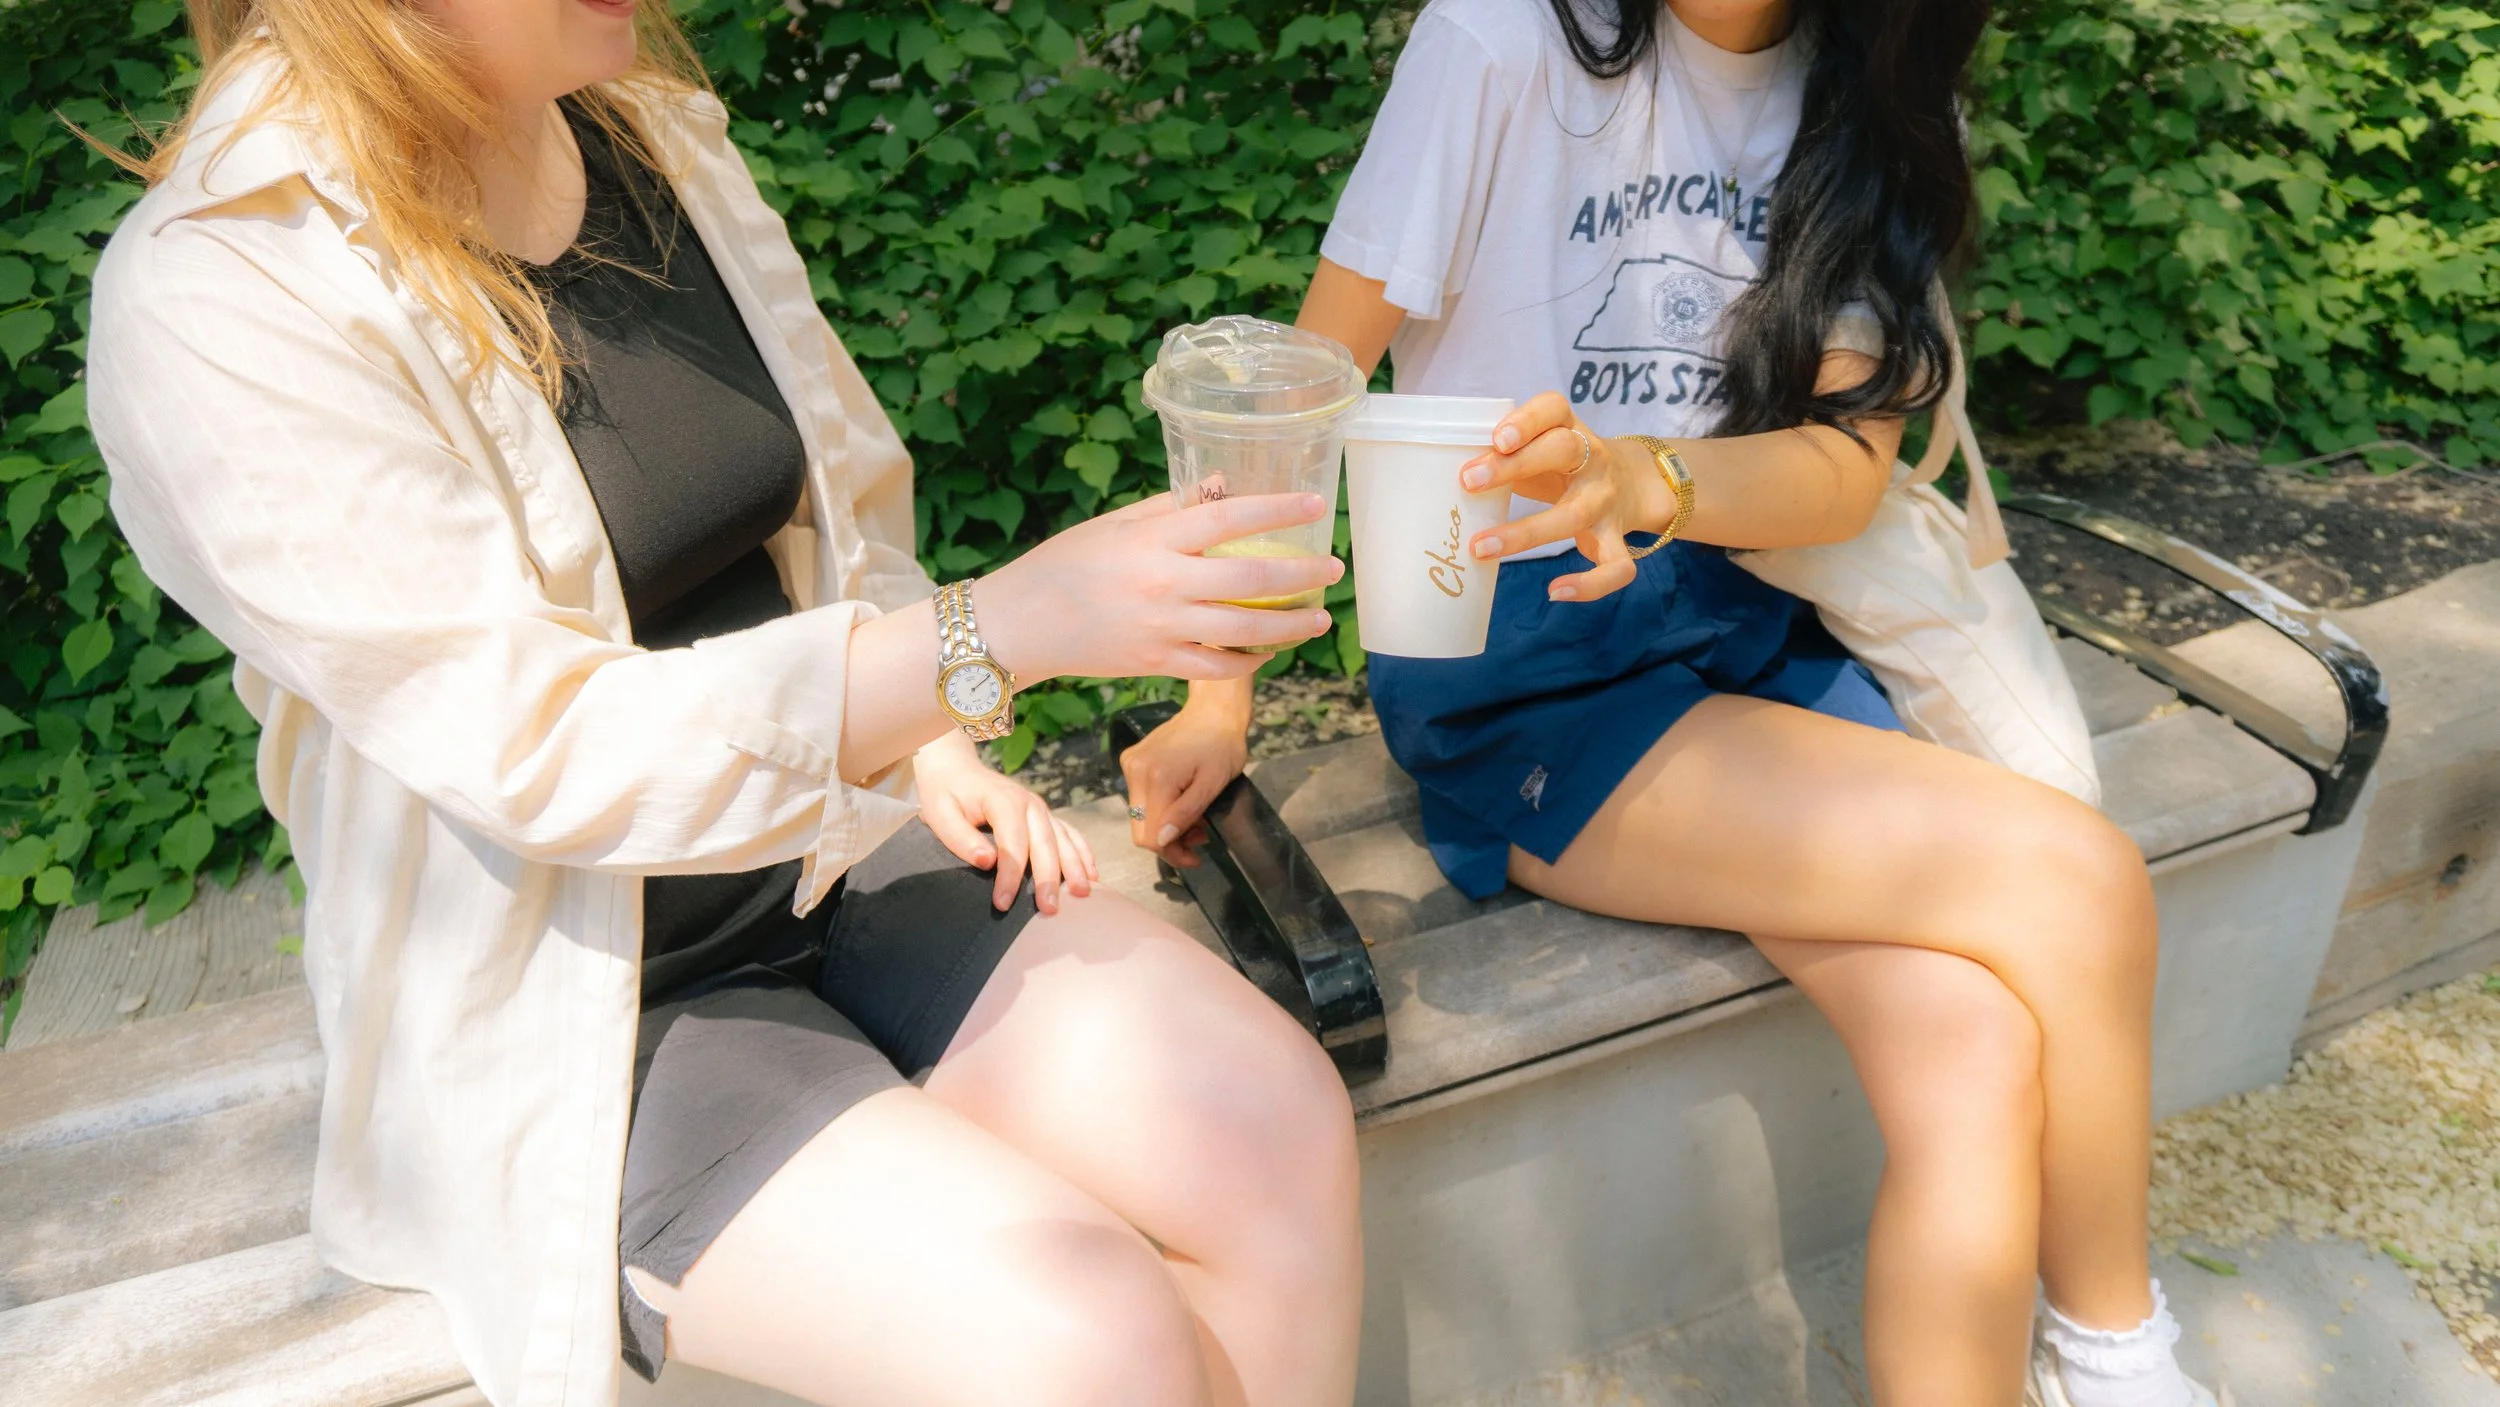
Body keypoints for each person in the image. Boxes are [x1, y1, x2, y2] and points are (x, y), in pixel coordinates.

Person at [86, 3, 1363, 1405]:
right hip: (580, 998)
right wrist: (993, 632)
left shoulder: (651, 137)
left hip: (832, 852)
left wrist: (930, 734)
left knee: (1273, 1122)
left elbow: (843, 507)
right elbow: (537, 746)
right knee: (1087, 1334)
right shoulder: (222, 286)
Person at [1120, 1, 2222, 1404]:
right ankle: (2121, 1359)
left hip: (1746, 620)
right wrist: (1217, 698)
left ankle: (2089, 1366)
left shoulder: (1869, 89)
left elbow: (1843, 471)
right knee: (2081, 880)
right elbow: (1307, 383)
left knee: (1975, 1040)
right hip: (1526, 663)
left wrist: (1646, 474)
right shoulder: (1499, 41)